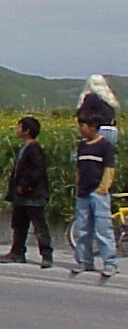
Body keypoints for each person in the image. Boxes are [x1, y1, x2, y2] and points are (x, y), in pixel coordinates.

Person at [0, 116, 52, 268]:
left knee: (39, 226)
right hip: (21, 196)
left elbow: (36, 170)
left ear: (26, 131)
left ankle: (46, 255)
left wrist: (24, 185)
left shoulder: (34, 149)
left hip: (33, 195)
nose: (17, 130)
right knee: (19, 225)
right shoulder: (24, 148)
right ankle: (17, 252)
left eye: (19, 127)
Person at [70, 111, 118, 277]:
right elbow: (79, 169)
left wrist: (102, 189)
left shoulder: (104, 146)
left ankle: (110, 263)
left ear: (92, 127)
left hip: (97, 194)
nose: (80, 129)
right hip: (82, 193)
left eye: (82, 126)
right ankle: (84, 261)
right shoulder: (82, 146)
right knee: (83, 229)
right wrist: (77, 187)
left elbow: (109, 169)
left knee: (103, 230)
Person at [76, 74, 119, 145]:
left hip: (97, 130)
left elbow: (82, 115)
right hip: (112, 131)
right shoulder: (109, 99)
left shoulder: (91, 98)